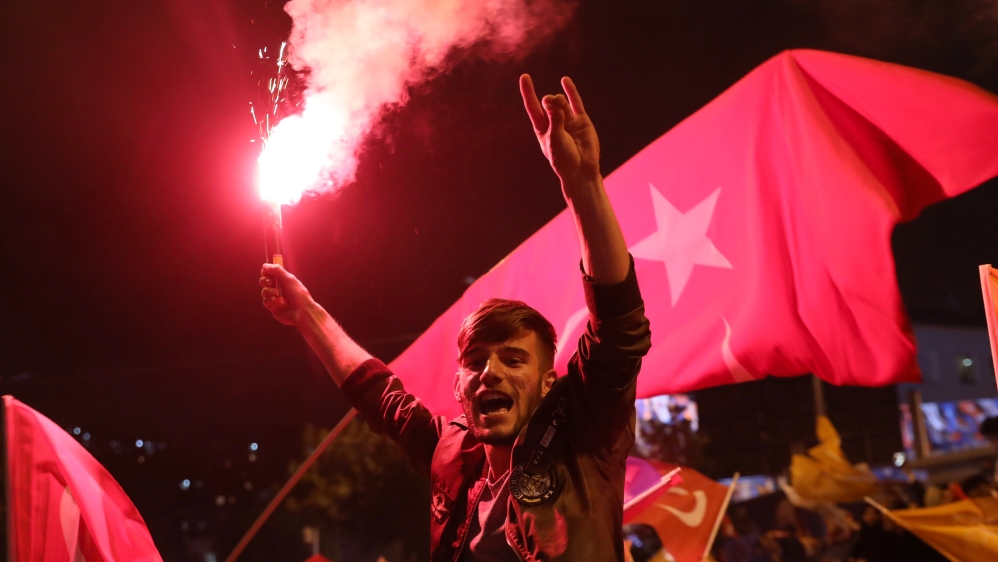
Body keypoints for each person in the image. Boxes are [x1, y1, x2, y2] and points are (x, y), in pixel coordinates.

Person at [260, 74, 652, 561]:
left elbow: (618, 328)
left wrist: (584, 186)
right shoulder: (453, 456)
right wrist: (305, 312)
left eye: (514, 359)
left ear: (549, 383)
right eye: (476, 360)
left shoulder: (582, 437)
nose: (490, 372)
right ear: (458, 386)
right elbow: (380, 396)